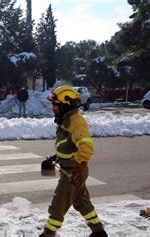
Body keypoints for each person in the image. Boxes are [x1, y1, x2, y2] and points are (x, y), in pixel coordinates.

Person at [40, 86, 107, 237]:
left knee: (59, 204)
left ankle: (48, 234)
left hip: (74, 170)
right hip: (70, 168)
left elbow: (86, 148)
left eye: (56, 105)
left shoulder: (76, 122)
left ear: (66, 104)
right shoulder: (66, 120)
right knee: (82, 203)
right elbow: (68, 145)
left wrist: (75, 168)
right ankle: (99, 232)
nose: (53, 109)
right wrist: (56, 157)